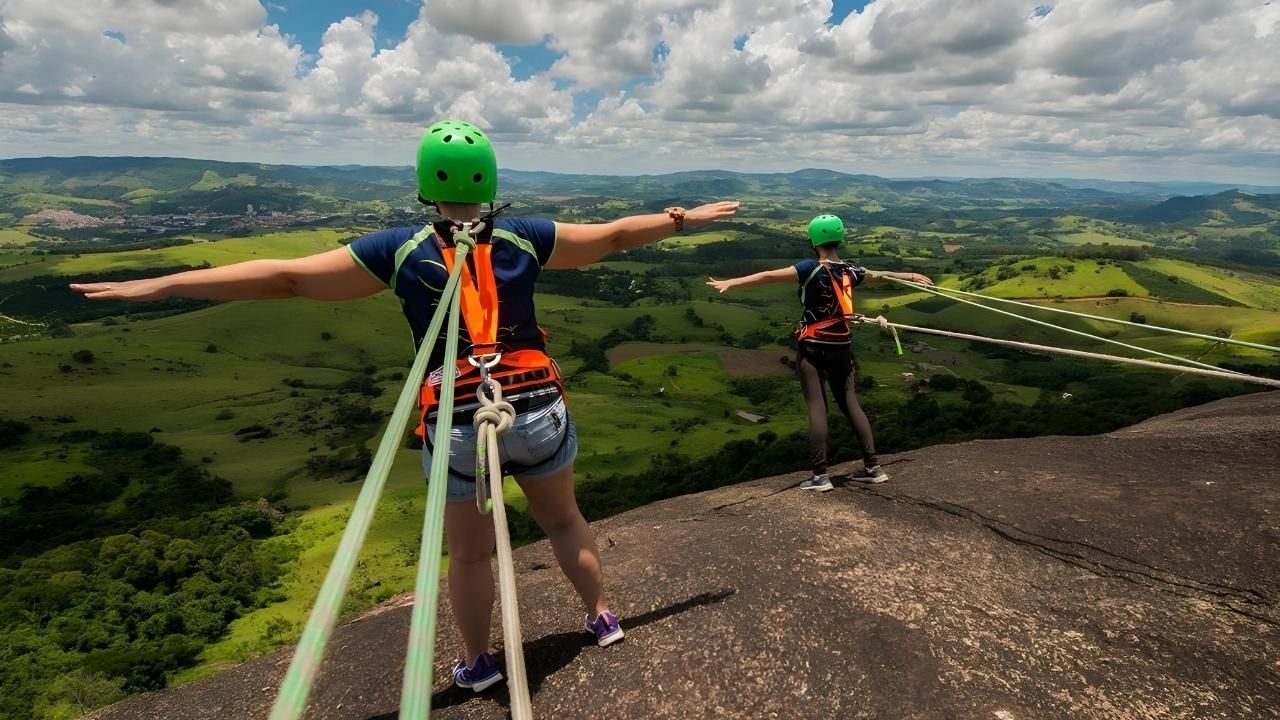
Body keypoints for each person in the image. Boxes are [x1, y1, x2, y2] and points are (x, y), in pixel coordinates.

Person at [71, 118, 740, 693]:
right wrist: (683, 219)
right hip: (536, 406)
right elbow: (618, 236)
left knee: (471, 557)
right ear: (490, 182)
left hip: (458, 424)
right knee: (564, 523)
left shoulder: (400, 250)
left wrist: (162, 284)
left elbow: (286, 278)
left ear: (426, 186)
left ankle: (479, 665)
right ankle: (602, 619)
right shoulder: (527, 236)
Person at [706, 214, 931, 492]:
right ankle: (873, 467)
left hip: (813, 346)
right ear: (840, 238)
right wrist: (910, 275)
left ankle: (820, 476)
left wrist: (732, 282)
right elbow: (880, 276)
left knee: (817, 407)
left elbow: (767, 276)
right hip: (842, 346)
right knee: (851, 404)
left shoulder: (809, 267)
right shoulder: (850, 270)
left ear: (813, 240)